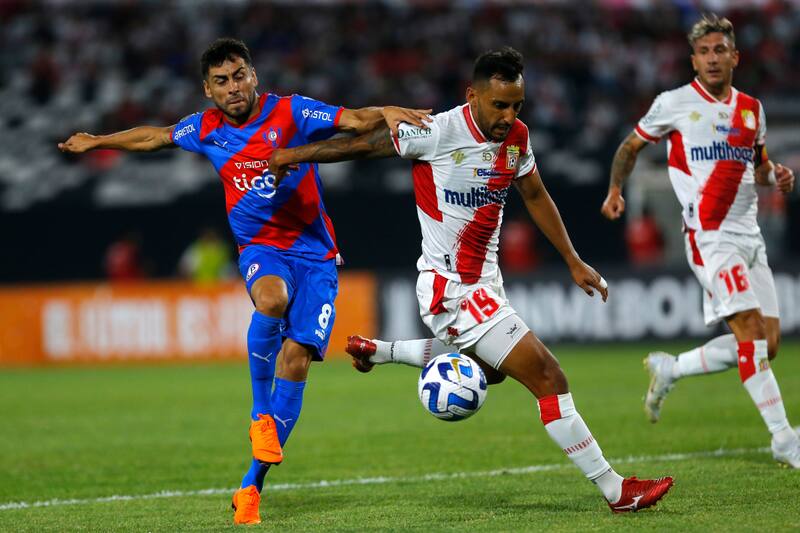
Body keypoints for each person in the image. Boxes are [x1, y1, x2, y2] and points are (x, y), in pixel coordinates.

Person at [269, 47, 674, 513]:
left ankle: (379, 351)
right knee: (549, 376)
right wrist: (294, 155)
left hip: (485, 283)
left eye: (516, 105)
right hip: (454, 290)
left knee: (493, 372)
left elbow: (536, 194)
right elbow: (365, 145)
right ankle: (617, 491)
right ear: (473, 96)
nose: (508, 116)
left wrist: (572, 259)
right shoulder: (439, 131)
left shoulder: (517, 138)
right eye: (499, 104)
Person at [58, 38, 432, 524]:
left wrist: (388, 110)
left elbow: (353, 120)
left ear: (253, 75)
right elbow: (155, 136)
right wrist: (99, 141)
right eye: (220, 81)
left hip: (317, 256)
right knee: (271, 299)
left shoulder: (291, 111)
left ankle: (250, 487)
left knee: (296, 362)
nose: (232, 88)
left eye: (238, 76)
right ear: (208, 90)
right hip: (261, 249)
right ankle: (260, 415)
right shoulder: (206, 128)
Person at [600, 15, 798, 468]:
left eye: (719, 51)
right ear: (694, 59)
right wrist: (615, 190)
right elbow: (630, 147)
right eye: (704, 52)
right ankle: (784, 440)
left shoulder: (752, 109)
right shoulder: (674, 103)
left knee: (766, 345)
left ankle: (673, 368)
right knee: (748, 333)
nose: (712, 58)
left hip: (751, 236)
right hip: (709, 237)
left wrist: (776, 175)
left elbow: (760, 166)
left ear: (734, 56)